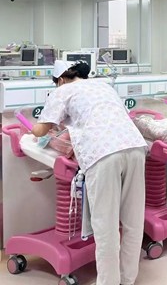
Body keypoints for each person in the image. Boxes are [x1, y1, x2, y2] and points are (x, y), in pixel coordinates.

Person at [32, 61, 148, 285]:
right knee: (133, 221)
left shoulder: (63, 90)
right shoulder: (103, 86)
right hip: (134, 147)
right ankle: (127, 279)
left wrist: (34, 128)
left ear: (60, 79)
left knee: (106, 227)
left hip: (103, 153)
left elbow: (40, 130)